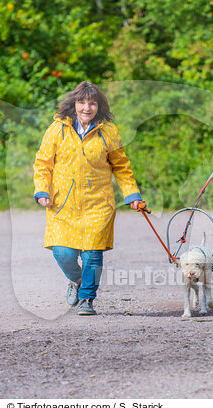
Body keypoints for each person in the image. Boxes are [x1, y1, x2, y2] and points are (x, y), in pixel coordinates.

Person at [33, 81, 142, 315]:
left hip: (98, 203)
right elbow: (43, 164)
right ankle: (76, 280)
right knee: (63, 253)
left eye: (92, 103)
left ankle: (87, 300)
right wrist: (42, 190)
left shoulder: (109, 131)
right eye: (82, 102)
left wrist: (132, 194)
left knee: (92, 253)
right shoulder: (57, 129)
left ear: (99, 106)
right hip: (63, 204)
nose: (87, 107)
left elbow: (121, 166)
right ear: (74, 103)